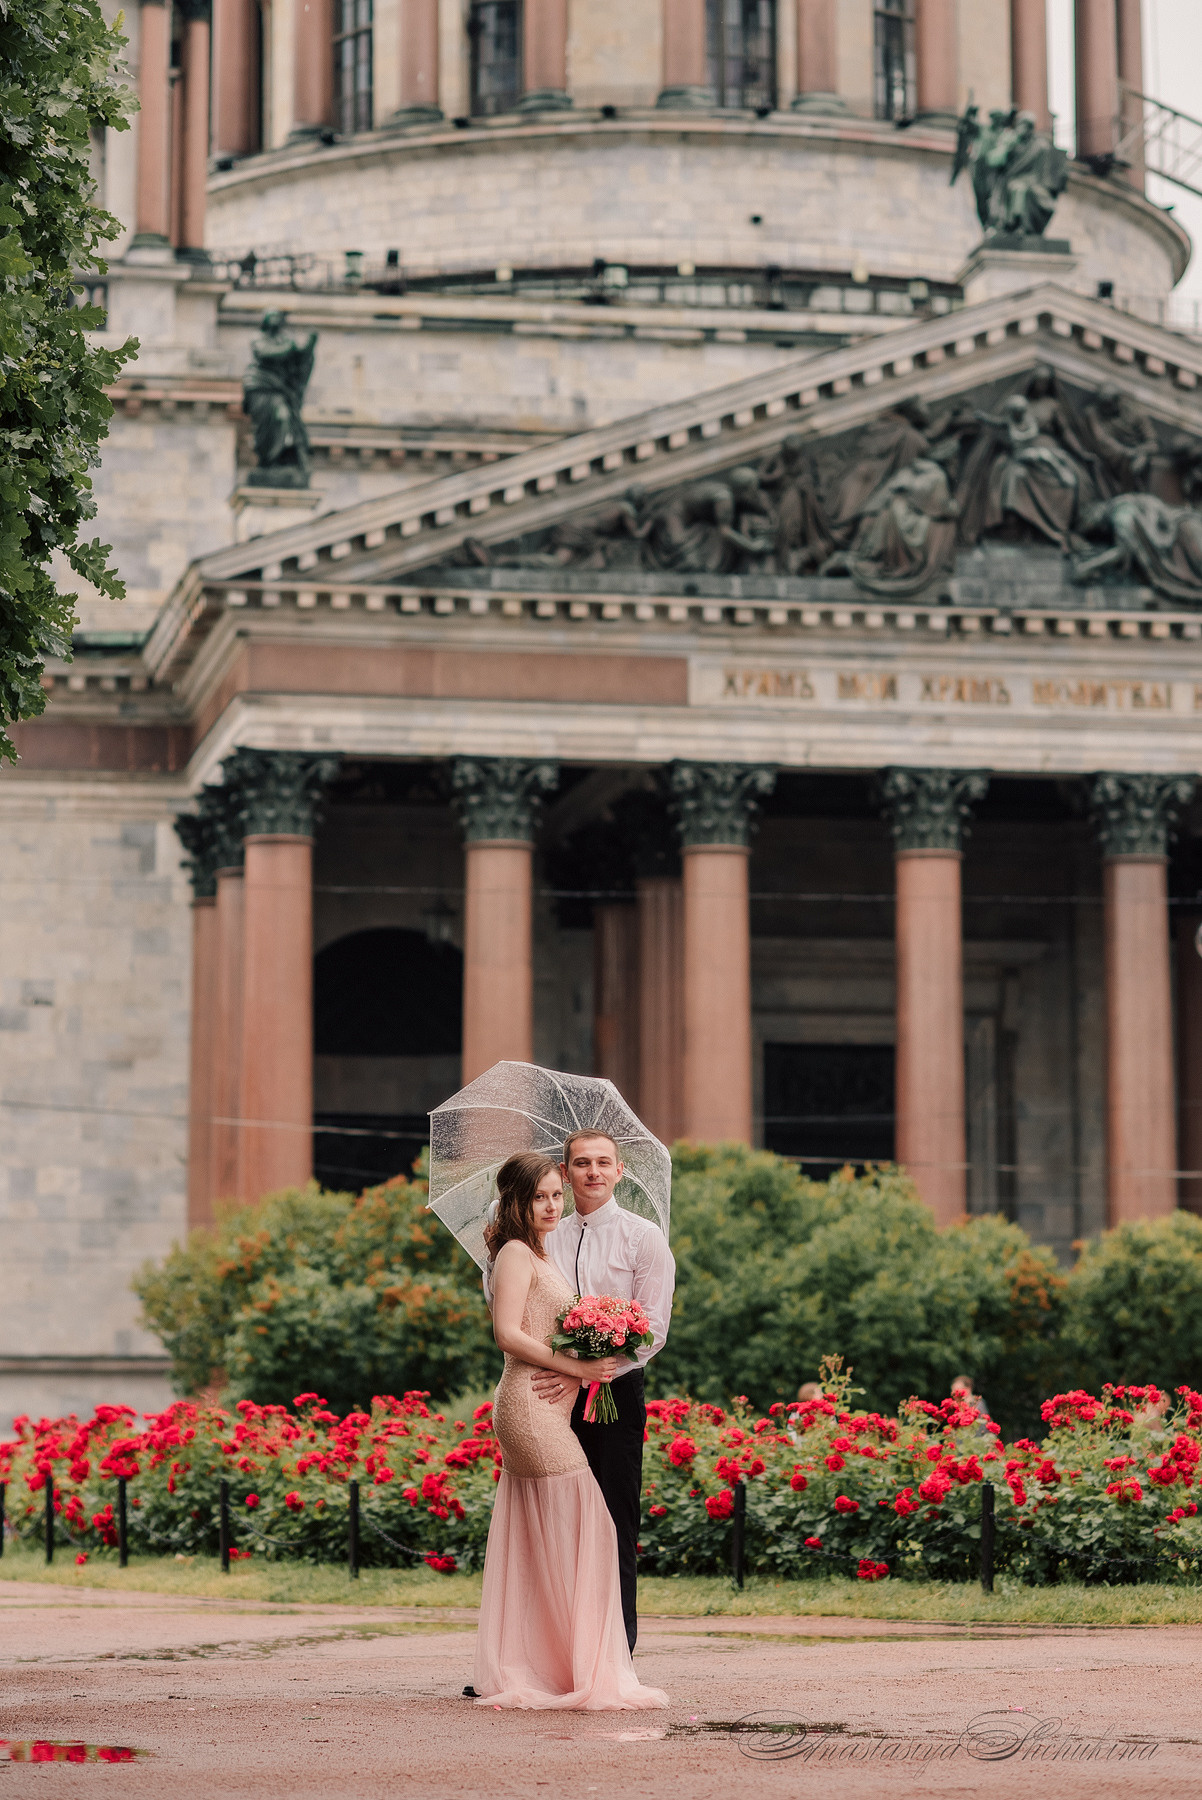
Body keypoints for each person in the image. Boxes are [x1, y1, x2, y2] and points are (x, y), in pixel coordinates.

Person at [471, 1151, 668, 1712]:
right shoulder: (514, 1253)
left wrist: (595, 1357)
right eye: (541, 1196)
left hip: (565, 1399)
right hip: (532, 1406)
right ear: (515, 1202)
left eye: (557, 1195)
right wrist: (577, 1368)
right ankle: (560, 1665)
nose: (553, 1204)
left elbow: (642, 1323)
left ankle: (556, 1663)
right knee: (587, 1528)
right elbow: (507, 1333)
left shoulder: (543, 1250)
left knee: (563, 1536)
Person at [530, 1130, 676, 1654]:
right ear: (565, 1174)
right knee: (551, 1516)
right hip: (547, 1394)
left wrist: (593, 1370)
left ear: (620, 1171)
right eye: (581, 1163)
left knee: (614, 1517)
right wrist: (564, 1368)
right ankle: (547, 1652)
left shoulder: (643, 1238)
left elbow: (653, 1329)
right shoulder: (543, 1238)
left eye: (603, 1163)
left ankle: (615, 1650)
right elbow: (516, 1307)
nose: (592, 1172)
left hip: (616, 1394)